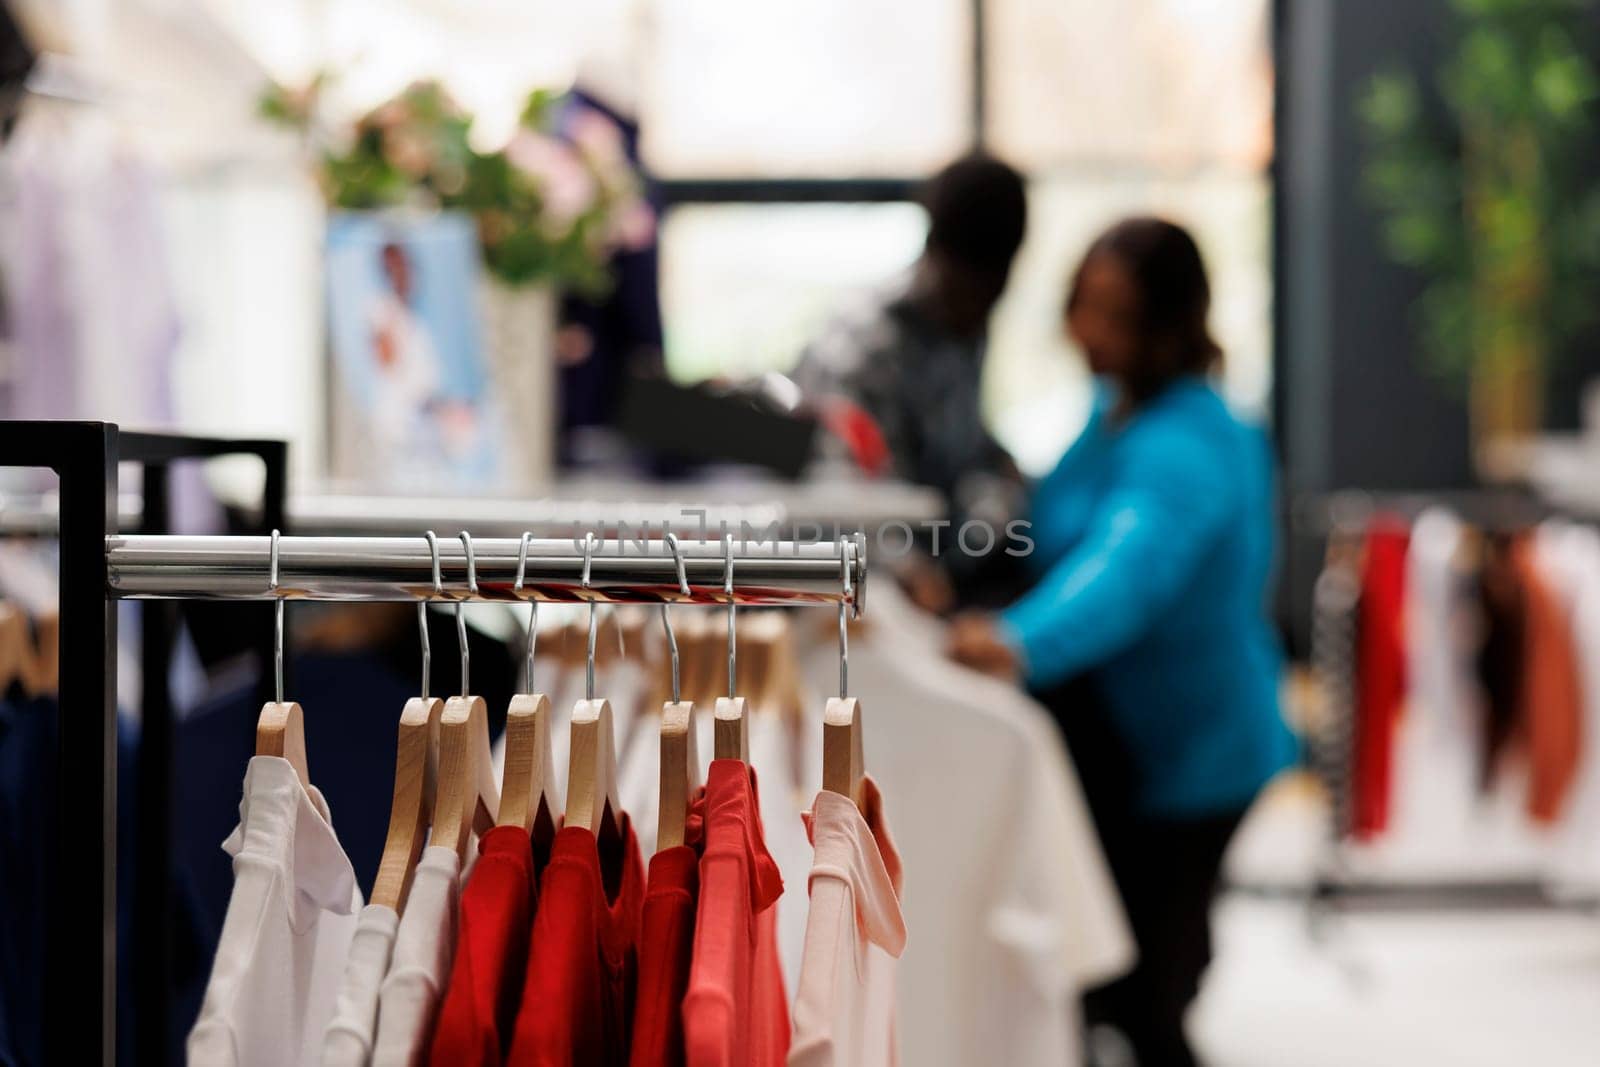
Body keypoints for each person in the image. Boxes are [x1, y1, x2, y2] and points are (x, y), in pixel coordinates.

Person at [946, 217, 1295, 1067]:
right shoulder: (1113, 412)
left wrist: (1013, 641)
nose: (1086, 331)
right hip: (1136, 743)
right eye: (1083, 306)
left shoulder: (1192, 442)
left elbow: (1123, 574)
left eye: (1114, 313)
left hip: (1196, 754)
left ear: (1170, 323)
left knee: (1147, 995)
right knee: (1119, 973)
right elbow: (1048, 527)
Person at [793, 153, 1029, 610]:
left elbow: (966, 453)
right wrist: (908, 565)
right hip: (862, 577)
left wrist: (1000, 484)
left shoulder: (967, 328)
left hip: (946, 568)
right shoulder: (865, 340)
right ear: (935, 252)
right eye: (971, 288)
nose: (982, 306)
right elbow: (834, 486)